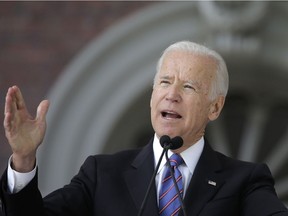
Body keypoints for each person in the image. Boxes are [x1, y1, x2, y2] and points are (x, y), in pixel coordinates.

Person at [0, 41, 287, 216]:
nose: (171, 94)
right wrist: (23, 159)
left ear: (214, 107)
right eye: (164, 82)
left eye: (188, 86)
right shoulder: (102, 175)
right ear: (152, 95)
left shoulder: (245, 181)